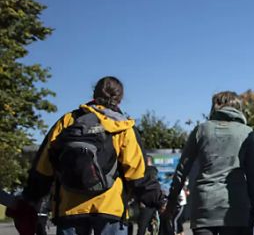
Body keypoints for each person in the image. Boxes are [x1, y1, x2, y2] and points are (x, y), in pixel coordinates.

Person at [16, 76, 165, 235]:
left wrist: (31, 197)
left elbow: (43, 167)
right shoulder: (122, 127)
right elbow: (137, 174)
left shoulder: (67, 122)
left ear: (93, 94)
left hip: (69, 208)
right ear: (119, 99)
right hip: (110, 208)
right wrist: (158, 201)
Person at [164, 91, 254, 235]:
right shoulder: (246, 133)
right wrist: (252, 209)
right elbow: (252, 176)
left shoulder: (201, 130)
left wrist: (170, 206)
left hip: (204, 206)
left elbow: (181, 171)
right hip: (236, 207)